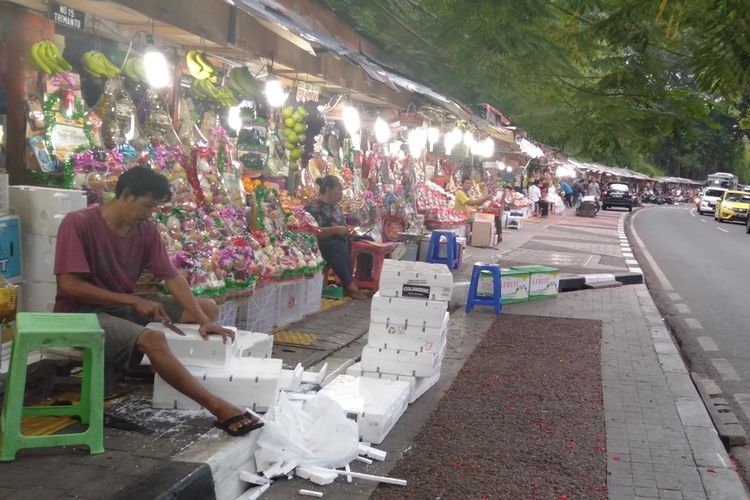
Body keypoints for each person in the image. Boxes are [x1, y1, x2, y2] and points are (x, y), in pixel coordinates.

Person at [54, 166, 262, 437]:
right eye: (147, 206)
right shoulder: (78, 222)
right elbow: (69, 286)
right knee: (154, 340)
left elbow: (172, 276)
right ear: (126, 195)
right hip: (80, 313)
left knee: (207, 307)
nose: (149, 214)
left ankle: (162, 370)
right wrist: (130, 301)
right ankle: (217, 407)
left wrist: (201, 320)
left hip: (120, 305)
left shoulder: (146, 230)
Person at [306, 175, 368, 300]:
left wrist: (348, 230)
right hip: (321, 244)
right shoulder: (312, 208)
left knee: (368, 241)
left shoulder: (335, 207)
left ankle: (362, 280)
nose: (341, 194)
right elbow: (313, 232)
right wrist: (336, 230)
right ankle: (349, 286)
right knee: (337, 247)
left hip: (340, 240)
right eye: (339, 190)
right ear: (328, 189)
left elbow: (341, 226)